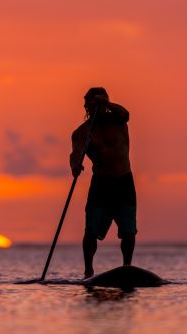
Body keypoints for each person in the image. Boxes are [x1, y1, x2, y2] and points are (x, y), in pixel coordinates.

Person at [70, 87, 137, 279]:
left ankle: (127, 266)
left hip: (124, 181)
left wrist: (105, 103)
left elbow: (126, 113)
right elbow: (75, 153)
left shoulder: (119, 120)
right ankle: (88, 270)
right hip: (101, 184)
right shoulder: (82, 132)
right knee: (91, 230)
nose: (94, 107)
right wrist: (75, 166)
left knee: (128, 230)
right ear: (86, 107)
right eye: (91, 104)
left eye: (98, 103)